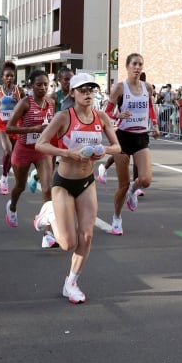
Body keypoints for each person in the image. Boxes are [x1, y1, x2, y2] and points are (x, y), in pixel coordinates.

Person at [34, 73, 120, 303]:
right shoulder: (64, 117)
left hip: (86, 183)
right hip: (63, 183)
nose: (88, 93)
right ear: (72, 92)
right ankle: (48, 213)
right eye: (82, 89)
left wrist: (102, 150)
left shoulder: (100, 117)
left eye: (91, 89)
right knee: (67, 243)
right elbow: (41, 143)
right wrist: (67, 153)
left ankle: (71, 283)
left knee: (88, 235)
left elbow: (117, 146)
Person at [103, 53, 160, 235]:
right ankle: (117, 218)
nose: (137, 67)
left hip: (141, 136)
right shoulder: (120, 88)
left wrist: (156, 125)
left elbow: (150, 107)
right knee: (123, 183)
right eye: (134, 64)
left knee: (146, 180)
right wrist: (117, 115)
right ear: (127, 67)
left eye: (140, 64)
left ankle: (133, 191)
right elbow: (107, 112)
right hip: (123, 137)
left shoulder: (147, 88)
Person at [5, 69, 55, 246]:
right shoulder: (25, 103)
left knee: (48, 188)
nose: (43, 88)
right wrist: (32, 129)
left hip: (42, 150)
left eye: (45, 85)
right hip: (23, 149)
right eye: (39, 85)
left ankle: (48, 233)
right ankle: (12, 207)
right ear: (31, 86)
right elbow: (9, 128)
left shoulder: (50, 103)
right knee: (20, 186)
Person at [0, 61, 24, 195]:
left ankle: (5, 175)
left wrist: (19, 99)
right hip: (2, 126)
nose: (9, 78)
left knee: (13, 155)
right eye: (7, 76)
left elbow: (26, 106)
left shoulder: (19, 90)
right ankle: (4, 179)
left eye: (12, 76)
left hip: (15, 126)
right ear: (2, 77)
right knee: (8, 151)